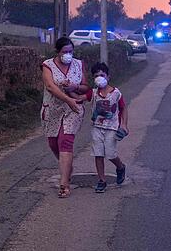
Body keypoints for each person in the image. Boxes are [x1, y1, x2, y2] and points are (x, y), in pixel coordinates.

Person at [41, 37, 89, 198]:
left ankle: (64, 184)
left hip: (73, 109)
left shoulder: (78, 64)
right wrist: (67, 98)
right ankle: (67, 167)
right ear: (58, 52)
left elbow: (85, 87)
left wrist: (74, 87)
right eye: (65, 52)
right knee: (53, 143)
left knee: (65, 141)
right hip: (53, 109)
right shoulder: (48, 65)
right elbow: (50, 86)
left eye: (70, 52)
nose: (68, 55)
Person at [88, 62, 128, 193]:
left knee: (110, 154)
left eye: (102, 75)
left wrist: (124, 125)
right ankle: (101, 180)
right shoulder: (93, 93)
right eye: (96, 76)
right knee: (98, 154)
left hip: (111, 128)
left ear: (108, 76)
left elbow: (123, 108)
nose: (100, 78)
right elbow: (80, 97)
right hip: (96, 128)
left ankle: (120, 166)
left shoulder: (116, 93)